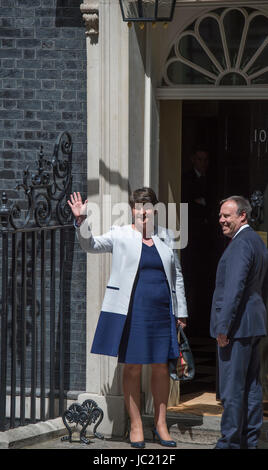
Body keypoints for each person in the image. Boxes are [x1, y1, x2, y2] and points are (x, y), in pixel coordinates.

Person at [67, 187, 188, 449]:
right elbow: (91, 245)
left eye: (147, 206)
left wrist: (182, 311)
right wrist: (82, 221)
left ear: (155, 209)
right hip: (133, 311)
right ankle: (135, 425)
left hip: (162, 311)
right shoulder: (120, 234)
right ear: (132, 209)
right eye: (138, 206)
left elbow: (176, 274)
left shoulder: (166, 236)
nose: (143, 211)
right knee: (132, 366)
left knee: (160, 367)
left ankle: (160, 424)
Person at [210, 195, 268, 449]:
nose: (221, 219)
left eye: (227, 215)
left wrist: (223, 327)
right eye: (221, 215)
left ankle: (230, 442)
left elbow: (234, 288)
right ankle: (249, 439)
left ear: (242, 215)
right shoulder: (256, 241)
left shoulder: (241, 244)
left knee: (233, 388)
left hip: (237, 327)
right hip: (253, 324)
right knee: (252, 385)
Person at [181, 148, 212, 337]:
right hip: (190, 239)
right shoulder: (186, 179)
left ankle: (201, 324)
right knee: (189, 280)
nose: (203, 163)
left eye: (205, 159)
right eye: (200, 159)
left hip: (207, 242)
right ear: (193, 159)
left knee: (204, 281)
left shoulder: (213, 179)